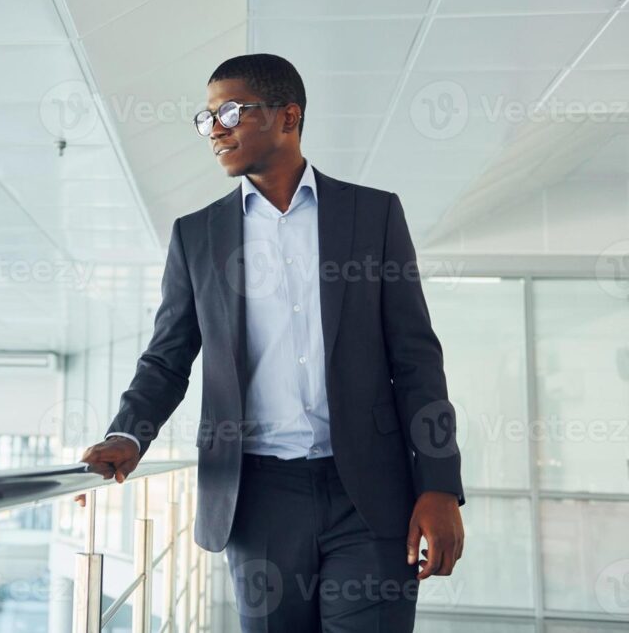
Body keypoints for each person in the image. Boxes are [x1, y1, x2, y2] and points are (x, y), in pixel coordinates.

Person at [76, 53, 465, 632]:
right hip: (257, 500)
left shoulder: (373, 215)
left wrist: (440, 484)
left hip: (370, 495)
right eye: (207, 118)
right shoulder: (196, 235)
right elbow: (167, 357)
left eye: (230, 112)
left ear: (289, 116)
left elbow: (415, 358)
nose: (216, 130)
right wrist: (128, 434)